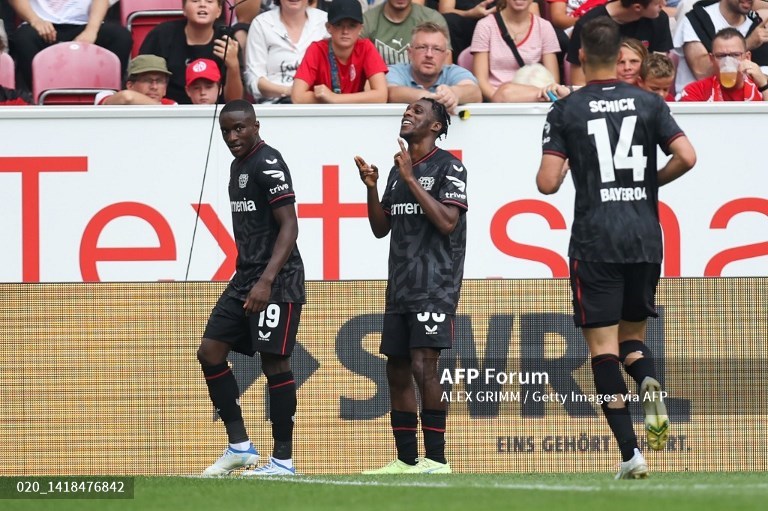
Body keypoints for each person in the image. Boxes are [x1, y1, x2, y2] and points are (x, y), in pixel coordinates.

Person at [536, 17, 696, 479]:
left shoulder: (567, 110)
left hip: (596, 239)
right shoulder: (649, 102)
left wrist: (567, 162)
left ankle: (631, 455)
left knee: (603, 351)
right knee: (632, 340)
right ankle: (648, 379)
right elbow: (687, 156)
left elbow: (547, 183)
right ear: (624, 59)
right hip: (645, 237)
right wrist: (648, 184)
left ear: (580, 56)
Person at [355, 97, 468, 475]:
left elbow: (447, 222)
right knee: (397, 370)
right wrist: (372, 187)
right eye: (408, 109)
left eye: (418, 111)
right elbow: (379, 228)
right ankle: (405, 461)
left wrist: (409, 178)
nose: (408, 113)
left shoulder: (448, 166)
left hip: (435, 284)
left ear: (436, 126)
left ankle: (436, 460)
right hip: (400, 286)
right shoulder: (396, 170)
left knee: (424, 366)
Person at [199, 99, 306, 477]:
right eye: (226, 130)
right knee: (210, 351)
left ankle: (282, 460)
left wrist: (266, 280)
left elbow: (290, 227)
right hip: (245, 276)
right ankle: (240, 446)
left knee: (275, 362)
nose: (232, 136)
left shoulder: (268, 161)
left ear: (256, 125)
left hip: (277, 280)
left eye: (240, 128)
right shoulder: (236, 166)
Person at [8, 0, 132, 92]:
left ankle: (108, 94)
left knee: (121, 37)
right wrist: (35, 20)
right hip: (43, 24)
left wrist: (92, 29)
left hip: (84, 23)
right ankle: (37, 95)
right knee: (23, 39)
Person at [139, 0, 243, 104]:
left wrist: (233, 66)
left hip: (215, 114)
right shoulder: (162, 35)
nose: (202, 5)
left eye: (209, 1)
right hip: (168, 112)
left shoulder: (227, 40)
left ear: (219, 11)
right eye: (195, 1)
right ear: (183, 9)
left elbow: (234, 103)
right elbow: (140, 84)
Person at [291, 0, 389, 104]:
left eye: (352, 25)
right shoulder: (316, 49)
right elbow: (297, 97)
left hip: (353, 115)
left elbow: (382, 96)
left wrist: (335, 98)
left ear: (361, 29)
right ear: (328, 27)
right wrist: (332, 99)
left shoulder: (366, 47)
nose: (345, 31)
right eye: (338, 24)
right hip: (321, 116)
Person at [471, 0, 560, 102]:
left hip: (535, 98)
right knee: (506, 93)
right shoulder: (485, 26)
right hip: (496, 99)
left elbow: (552, 80)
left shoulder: (544, 27)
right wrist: (499, 99)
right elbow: (481, 80)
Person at [671, 0, 768, 95]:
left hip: (746, 105)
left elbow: (763, 78)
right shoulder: (697, 19)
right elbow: (701, 72)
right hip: (695, 104)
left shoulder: (756, 25)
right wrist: (748, 43)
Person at [567, 0, 673, 85]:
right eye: (657, 3)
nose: (664, 4)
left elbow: (659, 72)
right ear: (637, 7)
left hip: (643, 95)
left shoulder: (659, 19)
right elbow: (579, 82)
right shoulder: (588, 25)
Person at [244, 0, 328, 103]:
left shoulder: (325, 22)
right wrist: (290, 91)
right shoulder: (261, 23)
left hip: (318, 104)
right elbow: (254, 79)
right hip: (274, 105)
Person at [387, 22, 481, 112]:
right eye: (422, 47)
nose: (429, 54)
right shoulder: (396, 71)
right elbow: (390, 93)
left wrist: (452, 93)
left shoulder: (454, 72)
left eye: (437, 49)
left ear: (446, 55)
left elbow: (475, 93)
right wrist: (427, 97)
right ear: (410, 53)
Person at [678, 27, 768, 100]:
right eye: (721, 56)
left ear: (747, 57)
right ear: (711, 59)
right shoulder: (696, 90)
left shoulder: (762, 86)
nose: (727, 61)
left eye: (735, 55)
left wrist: (764, 86)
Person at [362, 0, 450, 65]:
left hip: (423, 86)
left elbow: (446, 67)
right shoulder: (368, 20)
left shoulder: (433, 18)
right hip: (380, 85)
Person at [95, 54, 177, 105]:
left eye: (159, 81)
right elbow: (127, 97)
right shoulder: (105, 95)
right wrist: (158, 107)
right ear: (130, 86)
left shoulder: (171, 105)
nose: (154, 87)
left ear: (165, 89)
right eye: (147, 80)